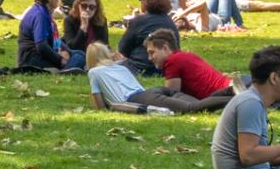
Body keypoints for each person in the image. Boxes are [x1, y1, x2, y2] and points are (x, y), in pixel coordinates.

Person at [87, 38, 225, 114]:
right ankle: (229, 92)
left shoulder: (94, 72)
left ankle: (231, 100)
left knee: (192, 108)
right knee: (197, 104)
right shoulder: (121, 67)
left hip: (138, 98)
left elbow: (100, 107)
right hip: (151, 91)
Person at [146, 32, 237, 110]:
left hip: (225, 94)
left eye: (152, 52)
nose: (149, 58)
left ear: (165, 49)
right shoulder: (188, 55)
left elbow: (171, 94)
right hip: (232, 85)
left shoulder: (172, 61)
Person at [117, 0, 181, 74]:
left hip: (139, 66)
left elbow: (123, 48)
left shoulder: (139, 21)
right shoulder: (169, 22)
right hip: (165, 69)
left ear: (145, 1)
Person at [61, 0, 109, 71]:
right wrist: (83, 27)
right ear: (78, 6)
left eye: (92, 7)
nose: (87, 10)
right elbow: (72, 47)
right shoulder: (69, 20)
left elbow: (104, 44)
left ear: (96, 9)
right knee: (79, 57)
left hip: (94, 56)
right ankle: (68, 70)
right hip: (76, 54)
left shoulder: (101, 21)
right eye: (84, 6)